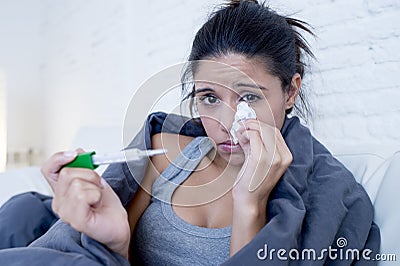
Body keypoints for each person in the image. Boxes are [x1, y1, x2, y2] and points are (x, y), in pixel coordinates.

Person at [0, 1, 380, 265]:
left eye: (248, 97)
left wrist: (250, 203)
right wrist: (116, 243)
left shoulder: (329, 193)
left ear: (291, 90)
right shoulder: (165, 151)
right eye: (210, 98)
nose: (226, 122)